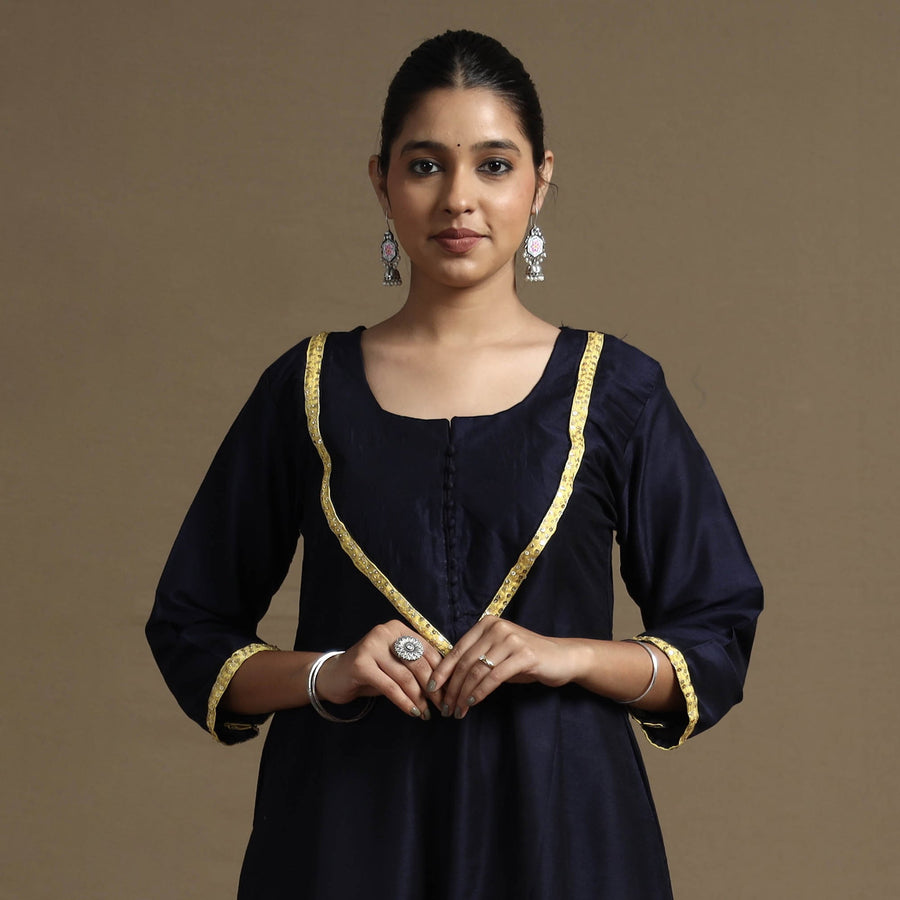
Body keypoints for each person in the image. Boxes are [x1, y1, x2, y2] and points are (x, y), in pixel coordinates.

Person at [146, 29, 763, 900]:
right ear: (381, 182)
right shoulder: (307, 389)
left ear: (541, 180)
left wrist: (570, 657)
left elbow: (718, 633)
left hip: (563, 837)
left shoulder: (617, 390)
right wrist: (329, 671)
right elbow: (190, 629)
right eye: (426, 165)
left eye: (494, 166)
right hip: (345, 836)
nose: (458, 200)